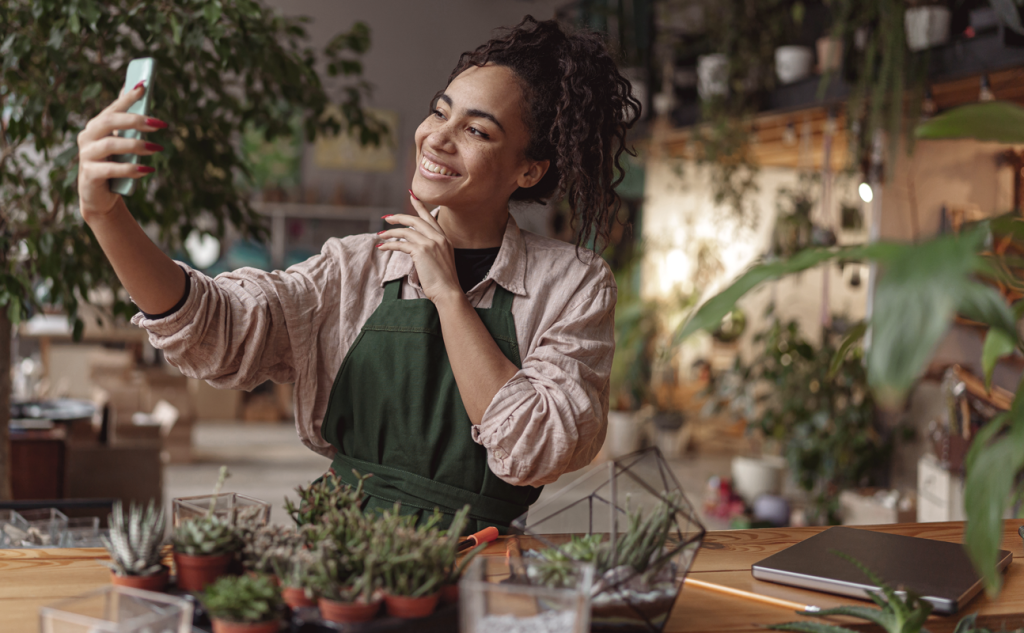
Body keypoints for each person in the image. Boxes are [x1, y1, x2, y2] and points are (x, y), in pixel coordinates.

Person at [76, 16, 640, 532]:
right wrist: (107, 217)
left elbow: (535, 448)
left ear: (529, 169)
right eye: (440, 112)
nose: (438, 138)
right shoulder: (355, 266)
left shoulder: (572, 285)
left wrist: (447, 294)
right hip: (342, 548)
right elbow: (215, 329)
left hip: (485, 560)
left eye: (478, 131)